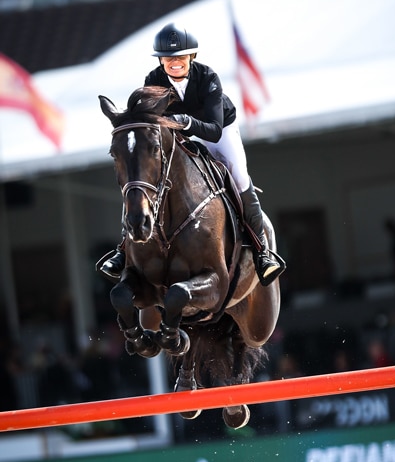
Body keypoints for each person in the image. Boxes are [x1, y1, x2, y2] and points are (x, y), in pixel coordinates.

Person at [100, 23, 285, 287]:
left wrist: (186, 121)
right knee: (143, 178)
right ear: (161, 60)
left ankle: (262, 251)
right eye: (168, 58)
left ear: (191, 57)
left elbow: (213, 130)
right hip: (179, 133)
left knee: (239, 175)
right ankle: (123, 249)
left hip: (217, 131)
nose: (175, 63)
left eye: (181, 57)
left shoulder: (208, 78)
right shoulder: (153, 81)